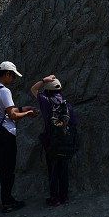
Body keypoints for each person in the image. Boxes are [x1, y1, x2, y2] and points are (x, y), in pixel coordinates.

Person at [0, 61, 37, 214]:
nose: (13, 78)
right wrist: (28, 113)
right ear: (6, 74)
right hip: (6, 134)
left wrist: (23, 108)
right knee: (7, 169)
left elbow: (2, 112)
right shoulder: (5, 91)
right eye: (12, 75)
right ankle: (7, 202)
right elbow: (12, 115)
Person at [31, 74, 78, 207]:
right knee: (64, 169)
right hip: (66, 143)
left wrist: (43, 80)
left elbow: (33, 90)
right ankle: (65, 197)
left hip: (51, 143)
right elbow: (74, 123)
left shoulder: (46, 101)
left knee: (53, 170)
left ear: (48, 90)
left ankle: (54, 198)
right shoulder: (67, 105)